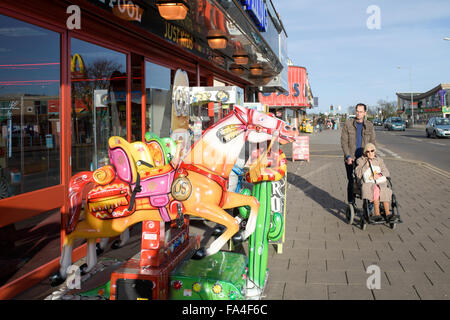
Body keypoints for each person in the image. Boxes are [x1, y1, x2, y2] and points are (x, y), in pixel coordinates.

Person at [340, 103, 376, 204]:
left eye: (361, 112)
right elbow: (344, 142)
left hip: (365, 159)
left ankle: (367, 206)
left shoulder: (369, 125)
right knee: (352, 182)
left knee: (367, 181)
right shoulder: (348, 124)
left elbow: (373, 142)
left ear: (365, 113)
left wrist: (372, 156)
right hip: (351, 158)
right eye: (357, 111)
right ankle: (351, 204)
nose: (358, 114)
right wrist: (348, 156)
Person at [355, 143, 393, 222]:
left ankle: (388, 213)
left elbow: (386, 171)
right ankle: (377, 213)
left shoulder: (379, 160)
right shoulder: (360, 160)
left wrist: (379, 174)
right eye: (368, 151)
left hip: (379, 182)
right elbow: (358, 174)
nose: (370, 153)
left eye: (372, 151)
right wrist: (366, 166)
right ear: (365, 153)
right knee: (376, 189)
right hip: (367, 183)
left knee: (383, 189)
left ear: (374, 151)